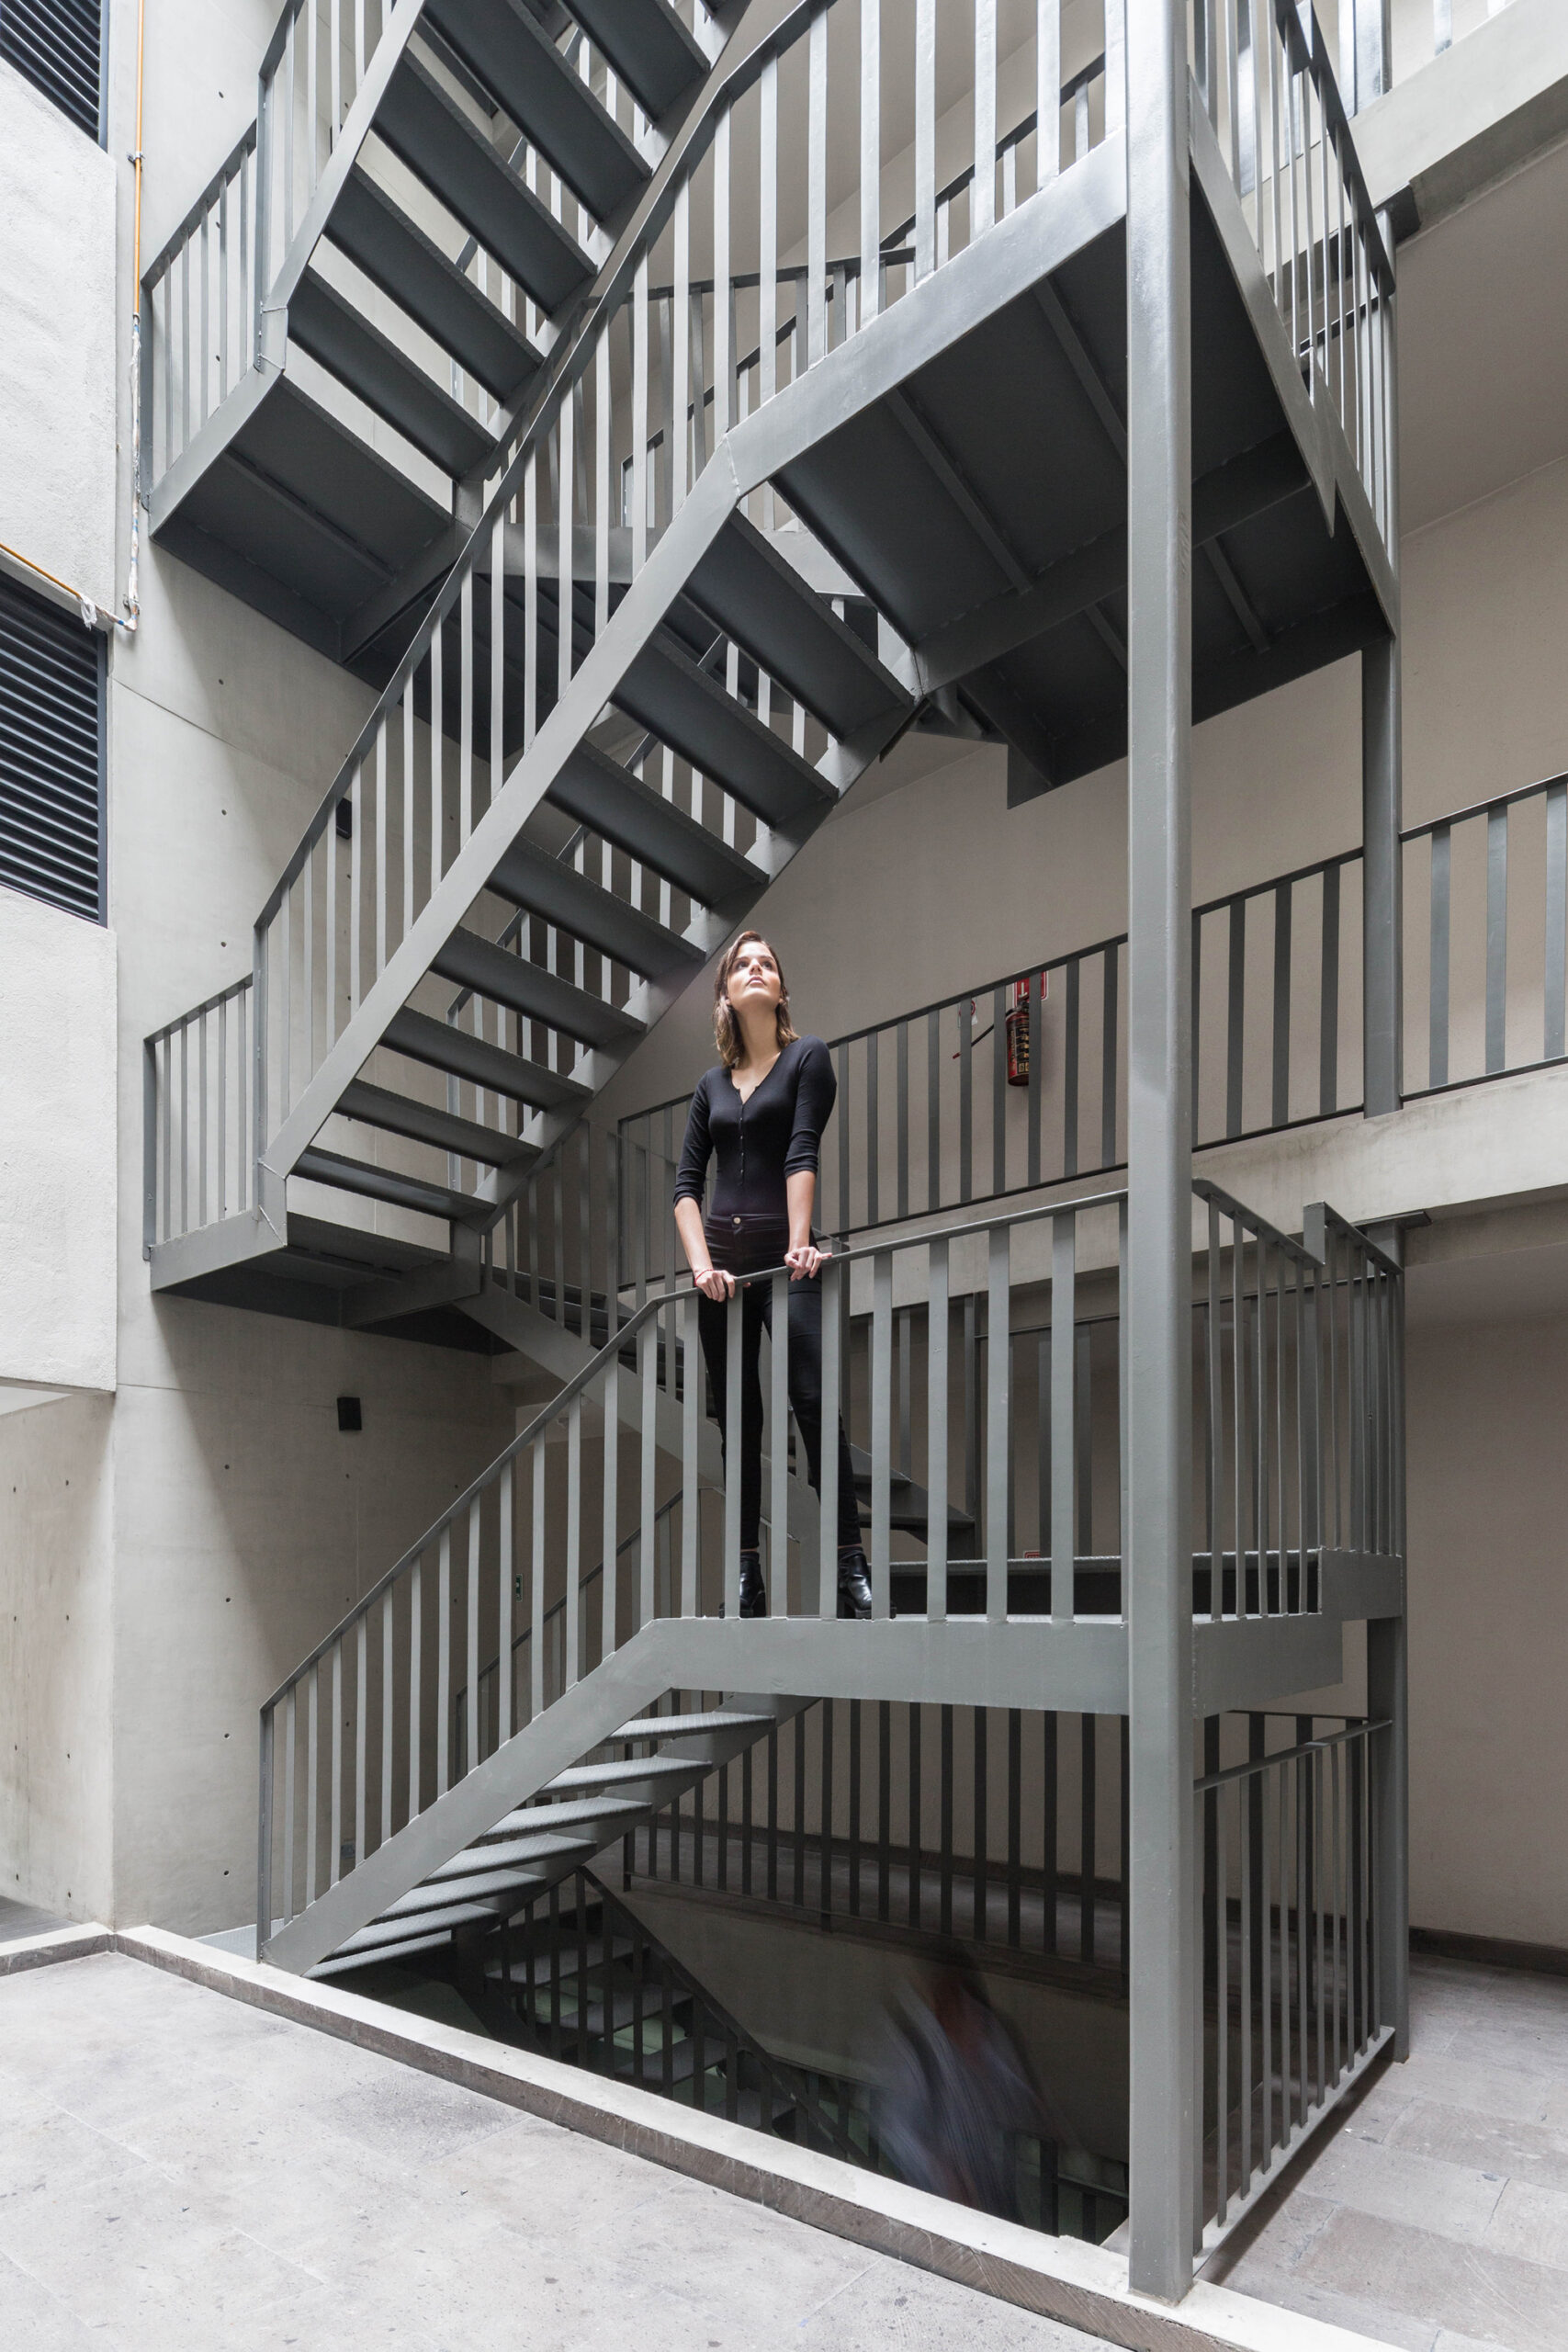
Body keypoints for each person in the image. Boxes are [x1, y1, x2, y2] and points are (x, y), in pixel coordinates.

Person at [672, 931, 873, 1621]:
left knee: (812, 1404)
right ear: (726, 993)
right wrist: (701, 1266)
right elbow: (686, 1187)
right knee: (738, 1419)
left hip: (787, 1265)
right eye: (742, 964)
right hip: (721, 1280)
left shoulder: (807, 1058)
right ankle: (746, 1575)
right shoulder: (710, 1087)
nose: (755, 970)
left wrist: (797, 1247)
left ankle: (850, 1565)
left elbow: (801, 1151)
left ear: (780, 989)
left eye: (767, 964)